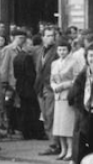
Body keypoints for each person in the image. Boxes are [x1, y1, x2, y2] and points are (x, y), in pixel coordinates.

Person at [51, 37, 81, 160]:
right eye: (60, 50)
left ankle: (70, 150)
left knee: (68, 125)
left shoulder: (74, 62)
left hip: (68, 95)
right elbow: (51, 79)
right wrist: (54, 87)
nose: (62, 52)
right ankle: (63, 149)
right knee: (59, 126)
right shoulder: (54, 63)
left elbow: (77, 80)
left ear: (68, 50)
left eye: (64, 50)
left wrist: (63, 85)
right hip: (57, 96)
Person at [36, 26, 59, 156]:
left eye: (53, 35)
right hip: (40, 87)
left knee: (50, 117)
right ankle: (53, 143)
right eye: (49, 35)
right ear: (43, 37)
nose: (51, 38)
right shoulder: (40, 51)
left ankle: (54, 144)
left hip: (50, 87)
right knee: (45, 116)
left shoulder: (56, 51)